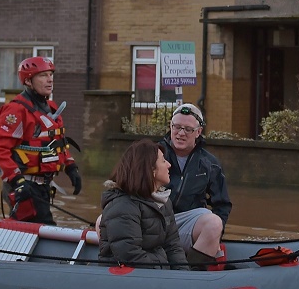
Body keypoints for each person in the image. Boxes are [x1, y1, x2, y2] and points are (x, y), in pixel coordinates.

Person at [0, 55, 81, 225]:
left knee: (33, 229)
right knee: (43, 227)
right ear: (29, 81)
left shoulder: (52, 109)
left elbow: (57, 143)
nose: (50, 80)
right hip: (23, 185)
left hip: (44, 185)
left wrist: (71, 166)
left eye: (51, 74)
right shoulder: (16, 110)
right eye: (43, 75)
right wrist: (16, 181)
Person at [156, 102, 232, 268]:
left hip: (185, 227)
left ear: (198, 132)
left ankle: (192, 274)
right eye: (177, 127)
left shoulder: (210, 164)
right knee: (103, 220)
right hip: (153, 222)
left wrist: (214, 237)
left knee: (213, 221)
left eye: (188, 129)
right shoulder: (153, 153)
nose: (181, 133)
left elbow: (222, 206)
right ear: (170, 126)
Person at [98, 139, 189, 268]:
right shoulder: (122, 206)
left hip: (158, 274)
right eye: (163, 161)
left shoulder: (163, 201)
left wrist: (183, 276)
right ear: (151, 170)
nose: (169, 164)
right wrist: (165, 272)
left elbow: (173, 246)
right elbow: (130, 256)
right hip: (128, 280)